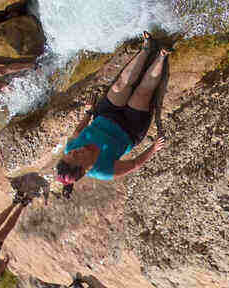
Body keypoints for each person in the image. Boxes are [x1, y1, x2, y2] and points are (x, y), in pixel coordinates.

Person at [55, 33, 168, 188]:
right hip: (130, 129)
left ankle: (146, 49)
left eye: (69, 154)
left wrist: (89, 112)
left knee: (121, 85)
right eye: (75, 156)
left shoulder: (70, 148)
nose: (73, 151)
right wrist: (153, 149)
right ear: (84, 168)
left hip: (106, 115)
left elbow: (78, 131)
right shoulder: (104, 171)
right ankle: (162, 57)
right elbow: (134, 164)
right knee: (142, 93)